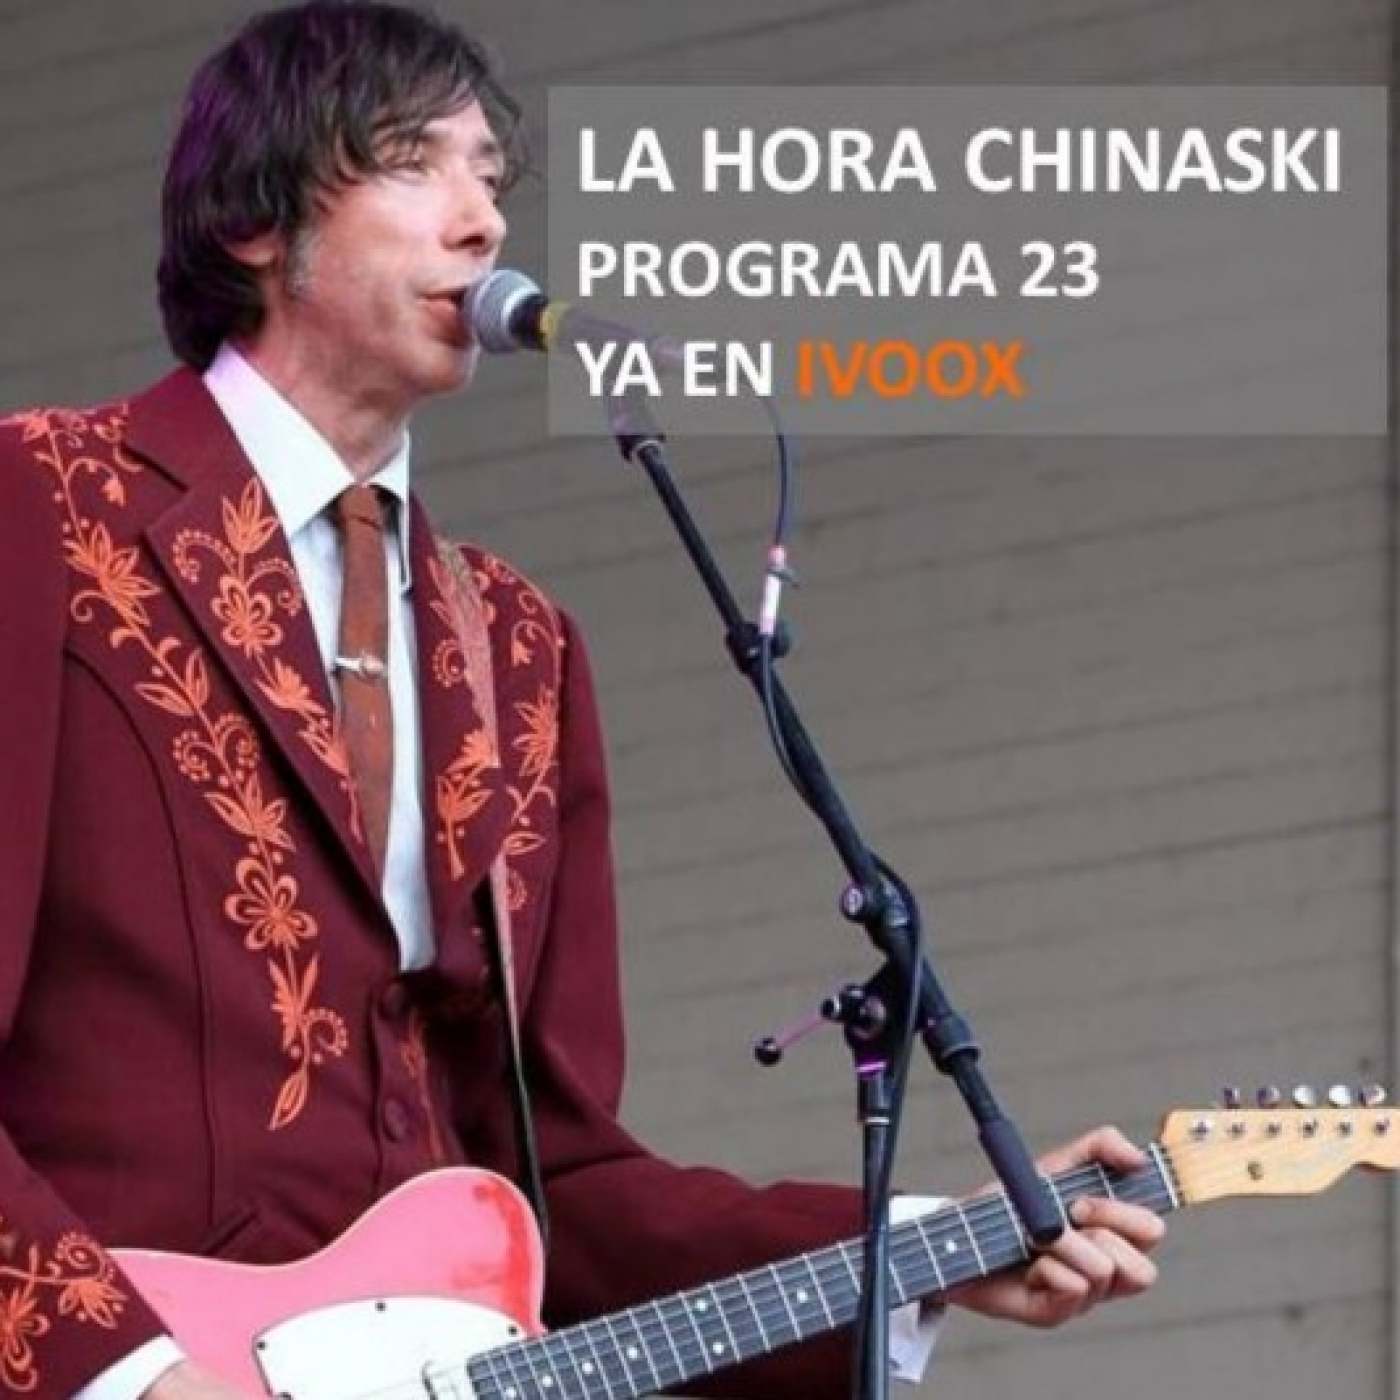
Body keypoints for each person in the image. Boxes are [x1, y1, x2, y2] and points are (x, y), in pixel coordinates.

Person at [0, 4, 1164, 1398]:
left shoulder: (518, 647)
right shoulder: (45, 507)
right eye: (415, 162)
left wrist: (918, 1250)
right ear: (254, 218)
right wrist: (124, 1374)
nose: (484, 220)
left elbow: (562, 1179)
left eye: (493, 176)